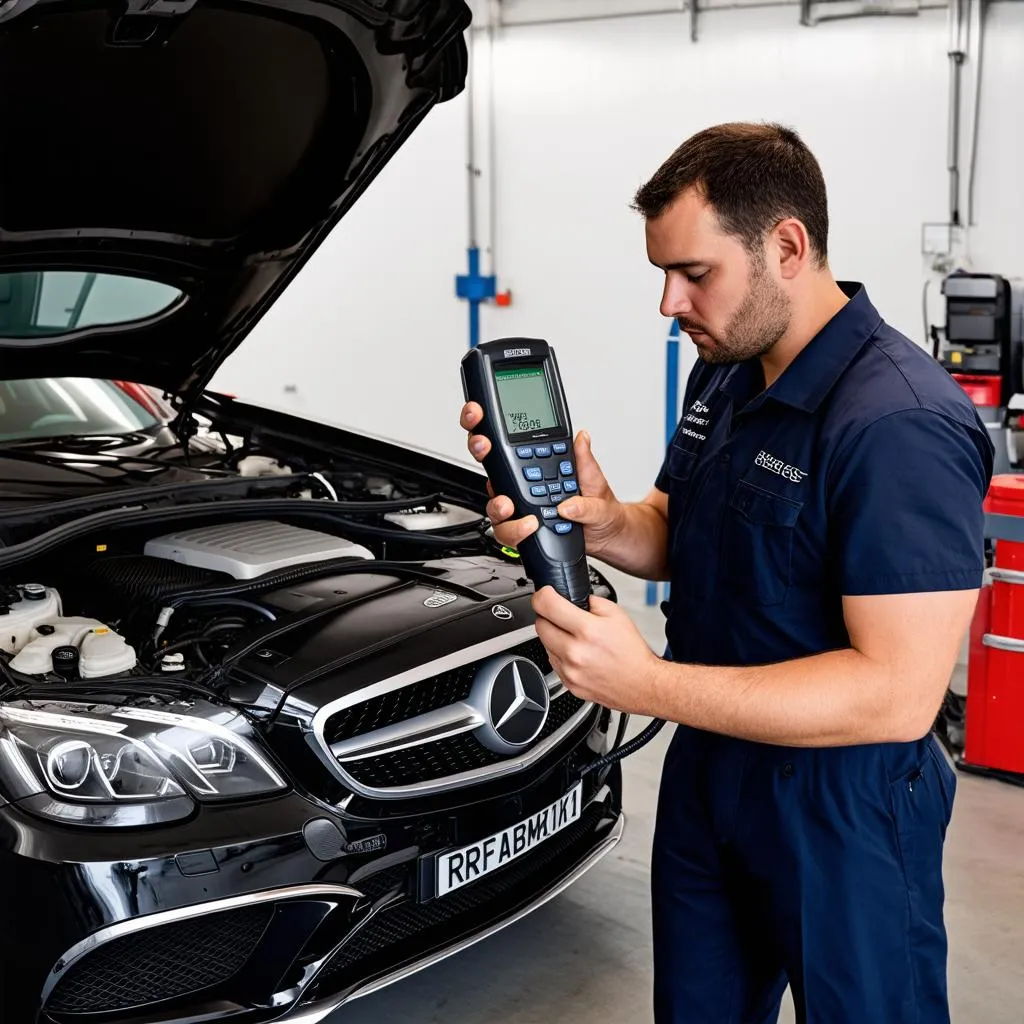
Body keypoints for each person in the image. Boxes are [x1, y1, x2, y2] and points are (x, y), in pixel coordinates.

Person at [460, 122, 995, 1023]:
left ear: (786, 246)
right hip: (715, 770)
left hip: (843, 806)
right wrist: (601, 519)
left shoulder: (897, 422)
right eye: (662, 274)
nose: (670, 303)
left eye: (694, 273)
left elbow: (898, 696)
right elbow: (677, 527)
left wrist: (649, 685)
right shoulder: (728, 373)